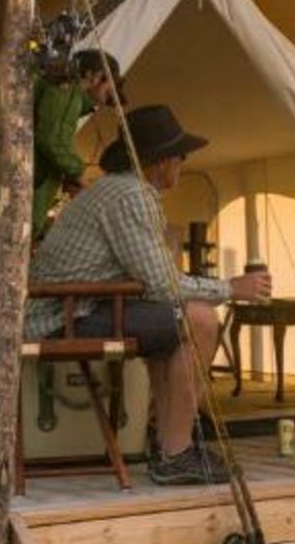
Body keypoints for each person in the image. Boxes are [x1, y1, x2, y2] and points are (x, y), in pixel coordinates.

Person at [26, 105, 272, 485]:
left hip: (75, 306)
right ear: (161, 161)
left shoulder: (115, 190)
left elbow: (152, 280)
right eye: (180, 157)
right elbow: (161, 283)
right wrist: (229, 288)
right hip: (65, 316)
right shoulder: (131, 194)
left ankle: (169, 444)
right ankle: (175, 452)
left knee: (171, 326)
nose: (182, 165)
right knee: (200, 319)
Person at [0, 47, 124, 471]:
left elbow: (35, 177)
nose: (103, 103)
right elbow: (55, 147)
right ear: (94, 77)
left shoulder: (41, 101)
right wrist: (90, 186)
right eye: (107, 92)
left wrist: (39, 234)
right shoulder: (60, 88)